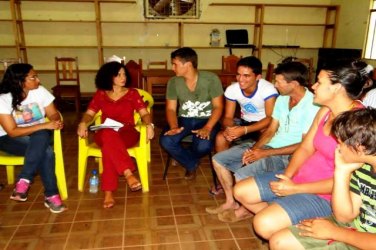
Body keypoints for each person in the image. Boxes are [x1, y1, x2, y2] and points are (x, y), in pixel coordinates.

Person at [233, 60, 366, 241]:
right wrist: (287, 177)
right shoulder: (325, 110)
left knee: (263, 224)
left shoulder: (358, 124)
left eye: (319, 82)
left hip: (327, 194)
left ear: (337, 88)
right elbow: (305, 147)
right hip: (301, 178)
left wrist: (295, 189)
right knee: (241, 191)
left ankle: (292, 230)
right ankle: (291, 225)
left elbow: (349, 181)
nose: (313, 86)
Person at [206, 61, 320, 221]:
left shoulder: (313, 105)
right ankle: (232, 202)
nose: (275, 85)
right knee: (218, 159)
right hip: (270, 147)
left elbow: (304, 145)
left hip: (287, 155)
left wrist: (264, 152)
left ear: (293, 84)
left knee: (242, 174)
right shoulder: (283, 99)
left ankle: (248, 209)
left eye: (279, 81)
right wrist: (254, 149)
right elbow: (271, 130)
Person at [269, 108, 376, 250]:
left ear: (359, 147)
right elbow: (345, 216)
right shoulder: (362, 167)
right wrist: (342, 171)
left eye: (341, 142)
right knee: (279, 241)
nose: (338, 147)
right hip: (356, 230)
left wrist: (335, 232)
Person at [77, 61, 154, 209]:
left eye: (124, 74)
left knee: (109, 148)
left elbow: (144, 113)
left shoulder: (132, 93)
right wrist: (82, 123)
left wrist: (149, 125)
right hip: (105, 132)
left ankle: (108, 193)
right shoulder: (101, 94)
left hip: (127, 133)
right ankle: (128, 173)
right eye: (118, 75)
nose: (123, 77)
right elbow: (89, 114)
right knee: (108, 135)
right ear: (108, 77)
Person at [0, 63, 66, 213]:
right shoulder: (3, 99)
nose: (38, 80)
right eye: (33, 77)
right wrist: (43, 126)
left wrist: (55, 120)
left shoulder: (40, 91)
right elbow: (12, 132)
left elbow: (53, 113)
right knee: (47, 152)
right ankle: (51, 195)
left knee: (41, 136)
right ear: (20, 81)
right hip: (8, 139)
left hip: (39, 136)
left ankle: (24, 181)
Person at [159, 47, 224, 180]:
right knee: (166, 140)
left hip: (207, 120)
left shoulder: (211, 79)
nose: (172, 68)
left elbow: (218, 107)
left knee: (203, 146)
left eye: (175, 64)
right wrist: (173, 127)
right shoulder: (173, 82)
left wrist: (208, 127)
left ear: (188, 65)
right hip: (184, 120)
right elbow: (171, 109)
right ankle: (191, 163)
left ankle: (184, 157)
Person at [215, 56, 278, 153]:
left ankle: (255, 164)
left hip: (263, 124)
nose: (240, 79)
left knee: (266, 135)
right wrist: (229, 129)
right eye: (238, 74)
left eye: (246, 76)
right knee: (221, 137)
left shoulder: (268, 89)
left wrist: (245, 130)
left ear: (258, 77)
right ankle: (221, 167)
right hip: (244, 121)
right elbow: (228, 117)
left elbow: (270, 118)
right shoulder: (232, 89)